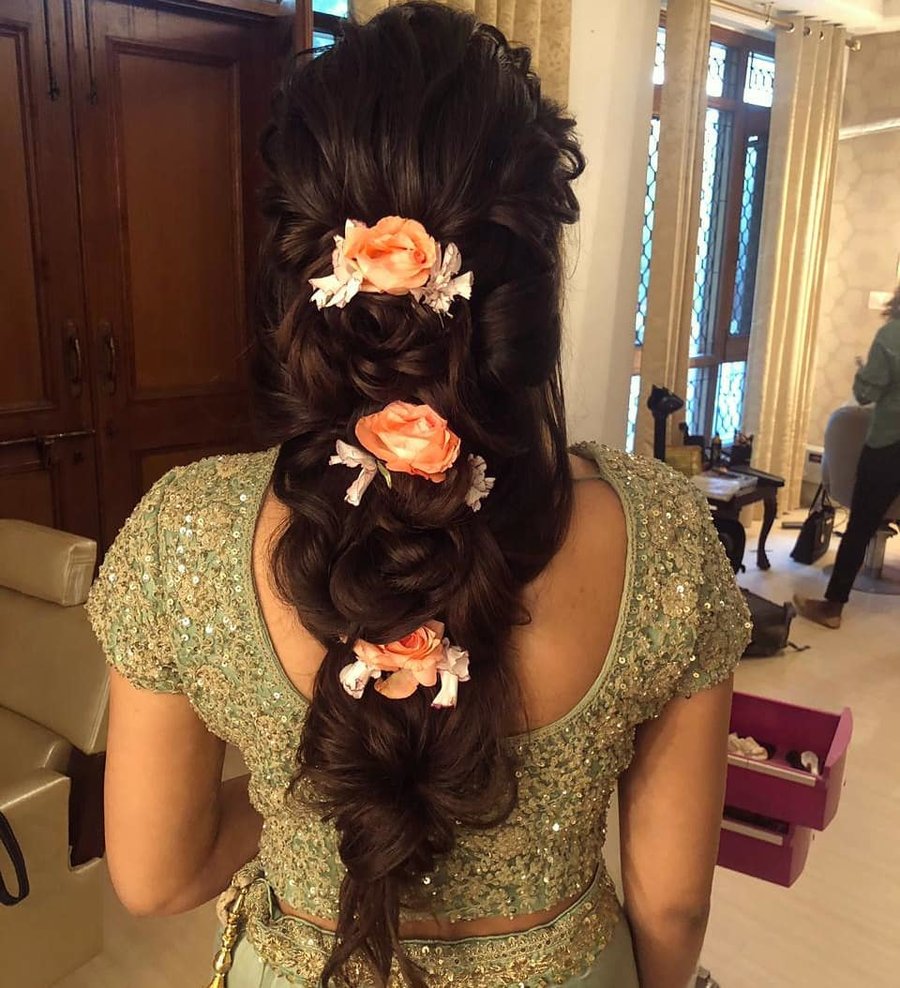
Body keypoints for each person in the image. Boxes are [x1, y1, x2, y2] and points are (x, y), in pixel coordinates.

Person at [85, 5, 750, 987]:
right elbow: (673, 899)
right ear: (529, 279)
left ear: (304, 265)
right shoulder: (659, 528)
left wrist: (299, 792)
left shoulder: (182, 531)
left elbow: (154, 875)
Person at [795, 288, 900, 629]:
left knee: (860, 527)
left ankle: (832, 607)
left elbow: (866, 392)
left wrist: (862, 372)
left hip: (889, 444)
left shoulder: (891, 335)